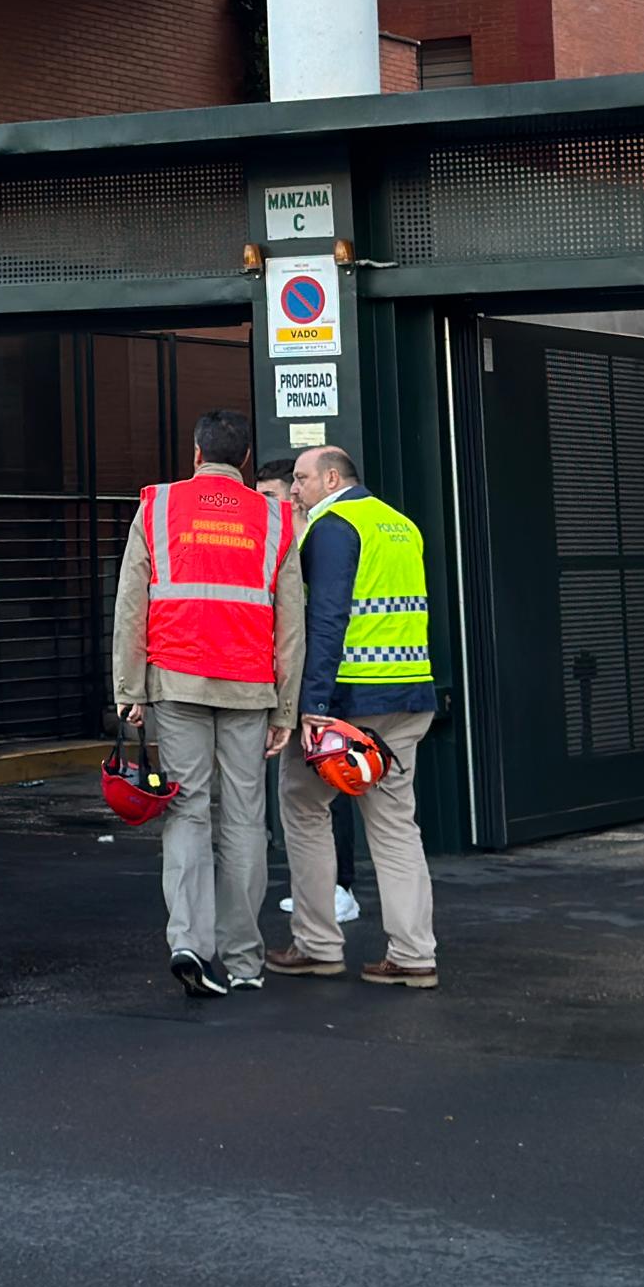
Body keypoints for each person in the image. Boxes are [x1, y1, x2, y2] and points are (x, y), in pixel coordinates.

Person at [113, 409, 301, 996]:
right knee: (246, 819)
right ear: (245, 459)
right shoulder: (276, 518)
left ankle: (189, 942)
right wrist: (285, 709)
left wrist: (128, 690)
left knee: (188, 811)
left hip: (177, 680)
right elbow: (290, 625)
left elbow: (130, 606)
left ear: (197, 453)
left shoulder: (158, 507)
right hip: (248, 686)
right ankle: (245, 961)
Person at [268, 442, 439, 988]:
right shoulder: (400, 526)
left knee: (302, 804)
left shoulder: (335, 527)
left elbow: (327, 618)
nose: (294, 489)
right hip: (408, 696)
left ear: (332, 478)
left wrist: (311, 705)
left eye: (301, 479)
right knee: (394, 826)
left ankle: (318, 944)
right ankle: (414, 955)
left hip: (347, 702)